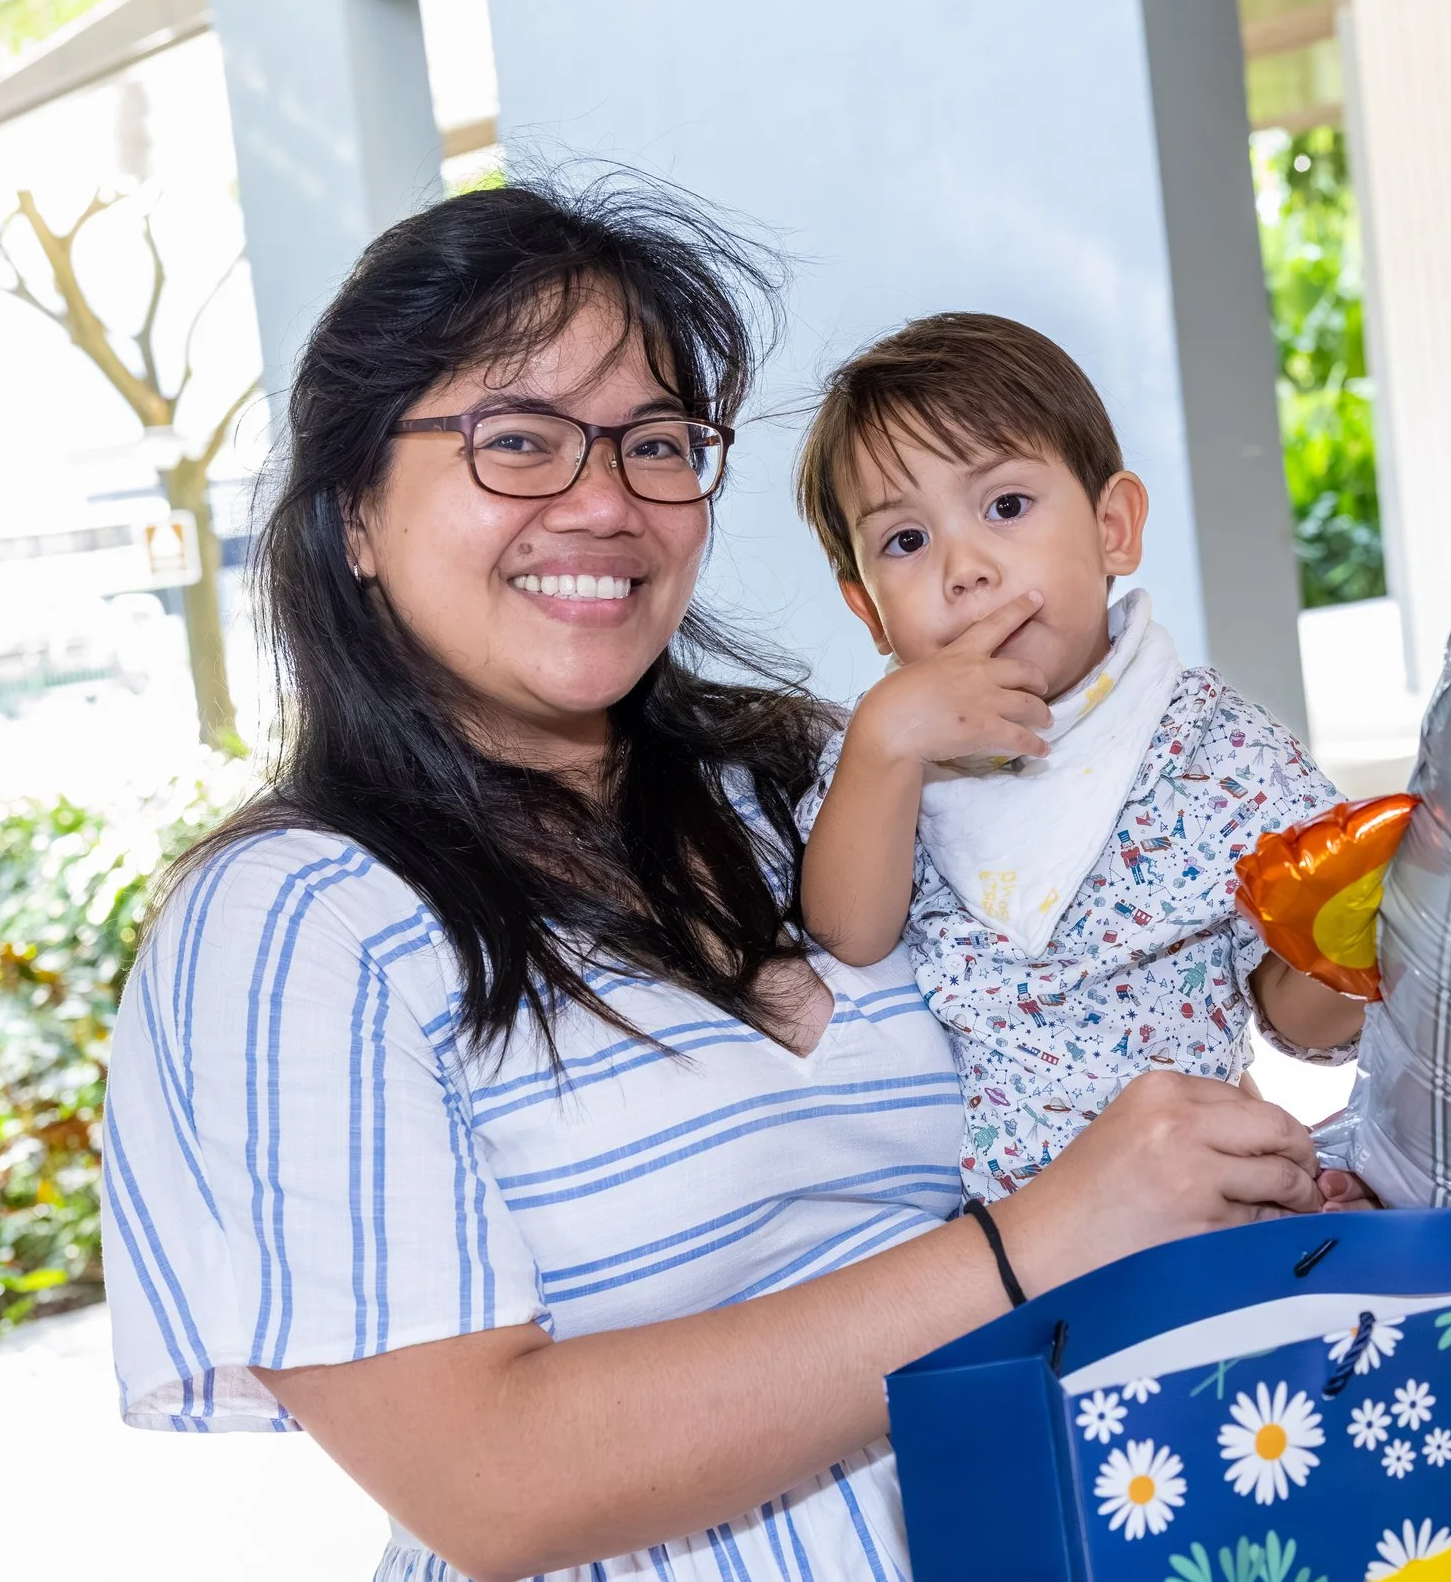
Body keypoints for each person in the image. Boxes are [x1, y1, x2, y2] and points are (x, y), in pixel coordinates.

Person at [102, 179, 1331, 1582]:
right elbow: (492, 1484)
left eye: (655, 444)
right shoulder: (291, 923)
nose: (604, 502)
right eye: (518, 440)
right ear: (353, 516)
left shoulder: (803, 782)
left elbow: (1151, 991)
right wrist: (1035, 1243)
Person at [792, 313, 1369, 1202]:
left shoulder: (1212, 747)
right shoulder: (891, 754)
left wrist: (1358, 939)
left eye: (1006, 506)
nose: (964, 568)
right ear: (869, 611)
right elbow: (847, 933)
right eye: (906, 541)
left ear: (1114, 528)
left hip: (1201, 1198)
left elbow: (1301, 1019)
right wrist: (884, 745)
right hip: (995, 1238)